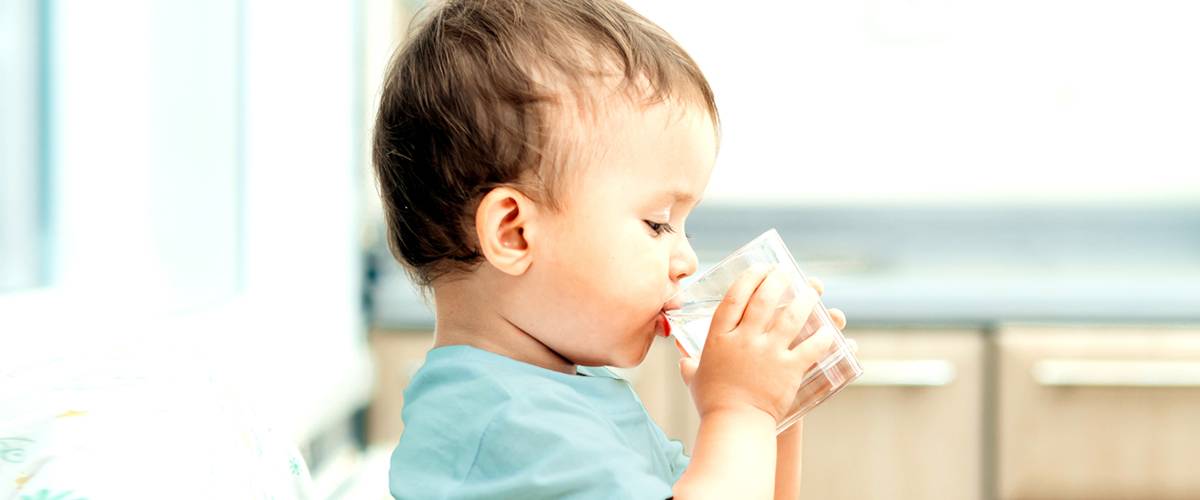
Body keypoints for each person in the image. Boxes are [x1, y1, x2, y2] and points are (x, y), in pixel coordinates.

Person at [374, 1, 848, 498]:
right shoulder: (506, 425)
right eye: (657, 223)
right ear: (514, 232)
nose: (686, 261)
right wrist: (741, 408)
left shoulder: (561, 396)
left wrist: (775, 410)